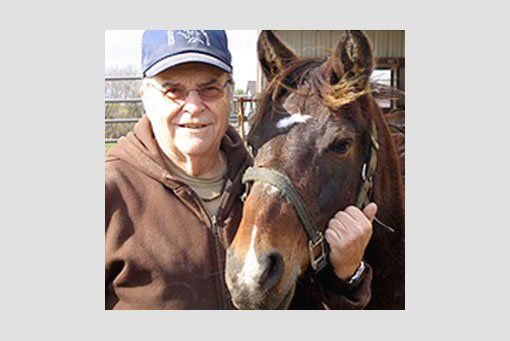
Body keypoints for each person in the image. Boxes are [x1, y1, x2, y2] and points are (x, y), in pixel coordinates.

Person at [105, 30, 376, 309]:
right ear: (146, 98)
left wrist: (348, 273)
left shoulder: (265, 184)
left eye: (210, 88)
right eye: (173, 90)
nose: (194, 106)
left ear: (229, 95)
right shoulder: (109, 192)